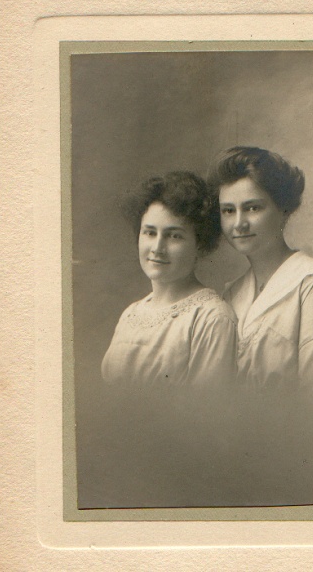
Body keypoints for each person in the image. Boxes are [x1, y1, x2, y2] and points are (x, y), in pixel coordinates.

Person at [208, 146, 313, 506]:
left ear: (283, 210)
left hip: (296, 467)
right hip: (236, 464)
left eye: (253, 208)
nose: (238, 223)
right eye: (228, 211)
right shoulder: (231, 293)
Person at [100, 171, 238, 507]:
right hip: (114, 470)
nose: (157, 248)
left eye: (174, 236)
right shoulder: (131, 313)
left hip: (172, 479)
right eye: (150, 232)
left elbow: (203, 422)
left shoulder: (211, 316)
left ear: (199, 245)